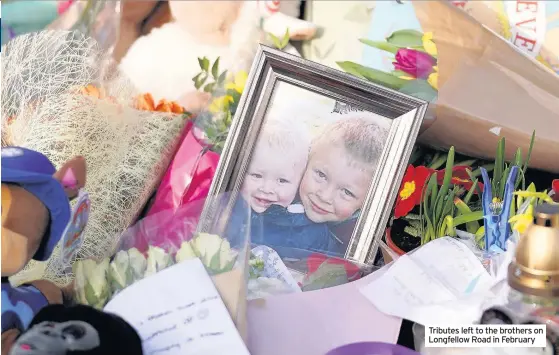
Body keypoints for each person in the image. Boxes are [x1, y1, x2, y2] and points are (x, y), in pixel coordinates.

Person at [296, 114, 389, 255]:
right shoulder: (281, 189)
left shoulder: (356, 241)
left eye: (347, 192)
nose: (325, 196)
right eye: (321, 175)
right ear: (307, 159)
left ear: (368, 202)